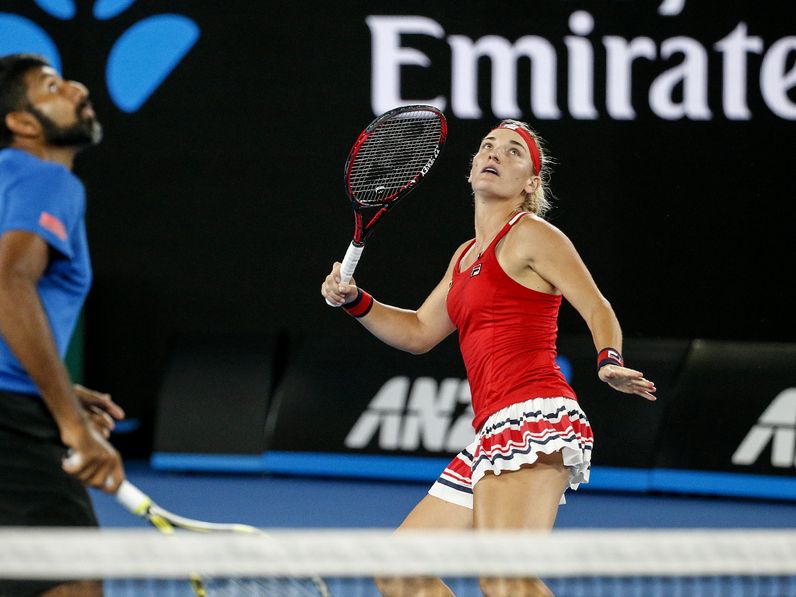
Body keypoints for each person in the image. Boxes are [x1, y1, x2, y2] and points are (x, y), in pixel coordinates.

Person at [322, 119, 657, 597]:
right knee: (399, 571)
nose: (494, 154)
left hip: (535, 417)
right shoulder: (464, 257)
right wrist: (356, 300)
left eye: (513, 152)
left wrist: (608, 358)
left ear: (531, 183)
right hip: (491, 432)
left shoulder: (533, 235)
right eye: (487, 147)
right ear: (472, 167)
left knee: (503, 579)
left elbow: (596, 305)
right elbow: (419, 331)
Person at [0, 54, 125, 597]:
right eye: (51, 86)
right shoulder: (50, 181)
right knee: (74, 583)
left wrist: (57, 390)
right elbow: (8, 285)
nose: (75, 87)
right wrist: (69, 423)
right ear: (23, 123)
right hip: (12, 426)